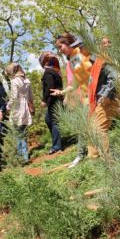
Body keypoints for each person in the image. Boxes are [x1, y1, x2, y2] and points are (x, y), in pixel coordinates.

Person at [52, 33, 92, 168]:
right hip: (86, 97)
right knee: (84, 125)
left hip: (94, 94)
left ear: (69, 43)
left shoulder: (82, 53)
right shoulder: (71, 61)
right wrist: (63, 92)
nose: (60, 49)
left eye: (60, 46)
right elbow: (74, 83)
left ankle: (87, 154)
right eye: (58, 47)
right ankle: (82, 154)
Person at [5, 63, 34, 163]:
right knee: (23, 132)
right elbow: (30, 96)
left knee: (18, 132)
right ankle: (24, 156)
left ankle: (21, 156)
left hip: (18, 108)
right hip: (25, 107)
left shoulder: (14, 81)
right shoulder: (27, 80)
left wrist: (8, 106)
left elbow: (14, 97)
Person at [39, 52, 63, 155]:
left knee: (53, 122)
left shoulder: (48, 73)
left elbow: (49, 87)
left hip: (54, 100)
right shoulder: (55, 71)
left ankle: (57, 146)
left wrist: (44, 100)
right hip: (57, 98)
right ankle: (57, 143)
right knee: (48, 120)